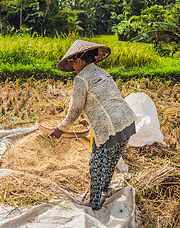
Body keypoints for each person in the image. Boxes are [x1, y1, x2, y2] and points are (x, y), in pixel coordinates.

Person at [50, 39, 136, 211]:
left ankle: (95, 202)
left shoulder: (81, 78)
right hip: (126, 121)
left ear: (80, 60)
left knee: (96, 164)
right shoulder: (102, 73)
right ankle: (104, 189)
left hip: (109, 128)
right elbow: (105, 101)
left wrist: (60, 129)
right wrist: (89, 120)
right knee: (110, 160)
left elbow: (74, 111)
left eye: (73, 62)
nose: (73, 66)